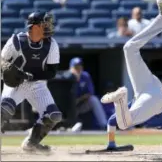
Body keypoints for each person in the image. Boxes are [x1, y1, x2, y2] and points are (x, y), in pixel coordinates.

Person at [101, 0, 162, 156]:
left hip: (151, 89)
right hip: (150, 94)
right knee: (125, 123)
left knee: (129, 48)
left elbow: (112, 122)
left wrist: (111, 143)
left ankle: (120, 98)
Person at [1, 11, 62, 153]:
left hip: (37, 84)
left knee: (53, 115)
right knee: (4, 109)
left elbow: (51, 72)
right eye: (45, 24)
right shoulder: (16, 41)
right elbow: (1, 60)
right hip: (16, 83)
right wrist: (6, 68)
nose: (49, 26)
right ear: (35, 27)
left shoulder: (51, 44)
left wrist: (29, 76)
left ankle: (31, 143)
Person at [69, 57, 107, 129]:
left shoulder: (85, 76)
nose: (78, 69)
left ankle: (104, 125)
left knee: (94, 99)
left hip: (80, 105)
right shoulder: (66, 76)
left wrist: (79, 100)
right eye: (76, 67)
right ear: (71, 68)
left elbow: (90, 93)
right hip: (68, 107)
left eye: (79, 66)